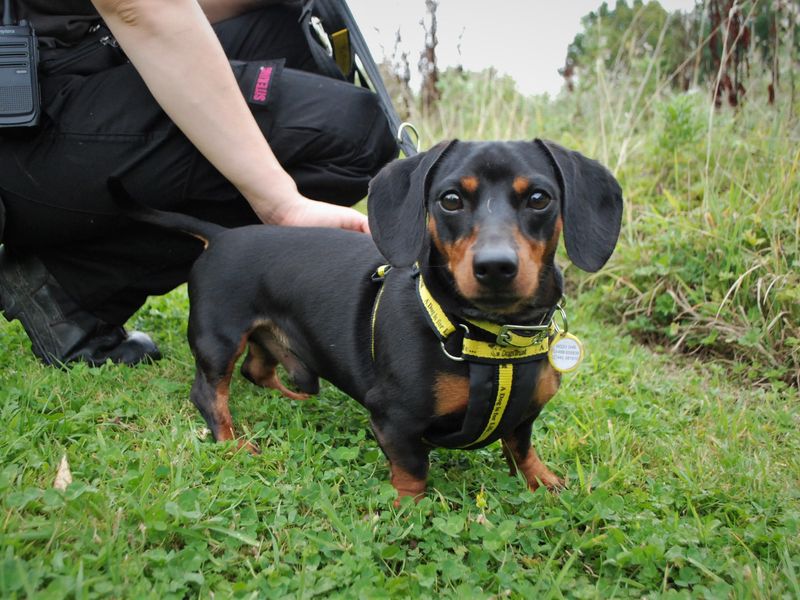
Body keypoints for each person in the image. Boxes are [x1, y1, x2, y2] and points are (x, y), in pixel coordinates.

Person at [0, 0, 398, 366]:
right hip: (20, 118)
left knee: (283, 32)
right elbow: (140, 9)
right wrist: (281, 201)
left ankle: (76, 275)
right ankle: (74, 286)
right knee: (352, 136)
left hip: (81, 62)